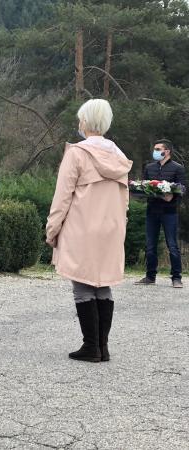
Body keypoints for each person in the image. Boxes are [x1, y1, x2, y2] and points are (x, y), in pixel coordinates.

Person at [46, 99, 132, 362]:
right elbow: (125, 199)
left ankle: (90, 346)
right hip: (111, 229)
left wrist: (52, 229)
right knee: (103, 286)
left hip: (82, 227)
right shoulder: (119, 156)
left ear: (85, 122)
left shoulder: (77, 153)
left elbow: (63, 196)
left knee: (83, 286)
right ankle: (102, 347)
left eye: (80, 119)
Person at [134, 139, 186, 288]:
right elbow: (144, 187)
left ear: (167, 151)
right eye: (155, 149)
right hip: (152, 211)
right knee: (150, 245)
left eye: (158, 149)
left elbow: (183, 189)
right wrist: (144, 192)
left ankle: (176, 278)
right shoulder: (149, 167)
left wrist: (172, 196)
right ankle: (150, 276)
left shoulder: (178, 168)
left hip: (169, 212)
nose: (155, 152)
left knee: (172, 245)